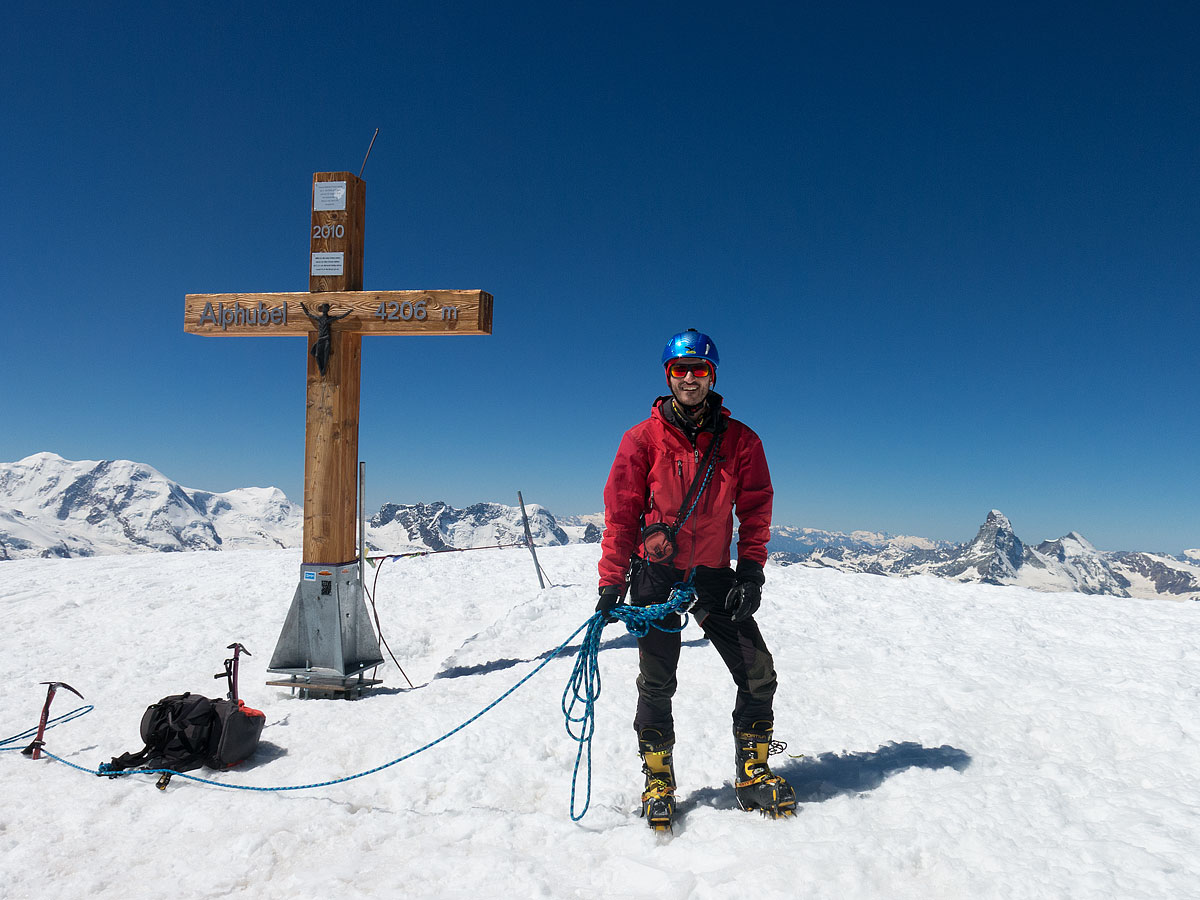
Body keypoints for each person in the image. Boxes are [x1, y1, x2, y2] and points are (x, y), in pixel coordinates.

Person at [596, 328, 795, 829]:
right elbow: (621, 515)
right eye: (681, 370)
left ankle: (752, 772)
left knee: (758, 670)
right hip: (656, 574)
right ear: (668, 376)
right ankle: (658, 777)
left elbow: (755, 510)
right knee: (658, 680)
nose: (690, 378)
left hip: (711, 573)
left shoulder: (741, 442)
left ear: (712, 376)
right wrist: (611, 582)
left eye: (699, 370)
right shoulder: (641, 441)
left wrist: (750, 571)